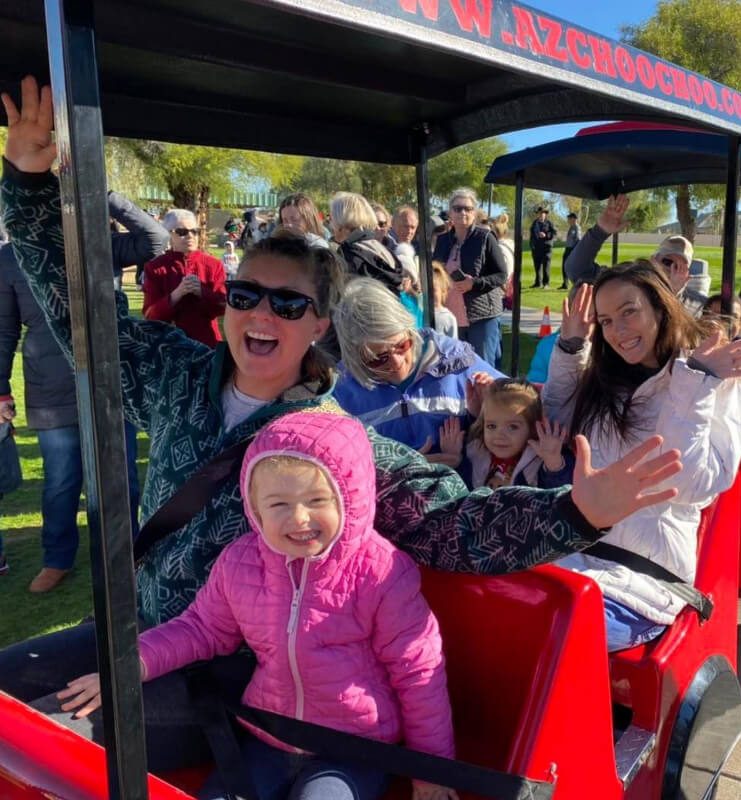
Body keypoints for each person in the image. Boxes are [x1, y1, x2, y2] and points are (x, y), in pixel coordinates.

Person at [1, 75, 687, 770]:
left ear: (320, 325)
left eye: (289, 304)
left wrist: (574, 512)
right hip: (138, 630)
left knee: (45, 744)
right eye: (247, 295)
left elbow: (457, 524)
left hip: (235, 671)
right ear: (226, 306)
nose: (263, 315)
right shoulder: (175, 376)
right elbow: (77, 312)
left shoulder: (339, 446)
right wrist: (29, 184)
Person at [59, 411, 458, 800]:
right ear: (254, 508)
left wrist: (431, 772)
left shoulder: (382, 573)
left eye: (317, 499)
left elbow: (418, 672)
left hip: (354, 748)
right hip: (271, 735)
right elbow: (201, 628)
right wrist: (132, 664)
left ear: (351, 497)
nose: (299, 518)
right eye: (279, 505)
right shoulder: (241, 561)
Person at [543, 264, 741, 651]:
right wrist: (570, 347)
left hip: (646, 576)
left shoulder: (717, 379)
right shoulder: (607, 379)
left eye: (629, 312)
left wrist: (695, 381)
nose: (617, 331)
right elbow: (558, 423)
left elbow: (691, 483)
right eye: (607, 320)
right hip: (576, 553)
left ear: (661, 307)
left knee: (557, 636)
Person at [0, 192, 160, 591]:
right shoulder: (9, 258)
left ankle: (128, 555)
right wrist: (1, 389)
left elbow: (154, 240)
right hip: (50, 388)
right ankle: (57, 558)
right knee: (60, 480)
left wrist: (102, 194)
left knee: (119, 479)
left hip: (110, 383)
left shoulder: (97, 244)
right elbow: (4, 331)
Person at [332, 277, 502, 457]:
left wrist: (486, 412)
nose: (397, 362)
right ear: (354, 358)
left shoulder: (456, 360)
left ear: (410, 329)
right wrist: (406, 470)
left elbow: (522, 412)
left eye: (402, 345)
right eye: (378, 358)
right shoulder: (339, 392)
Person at [565, 194, 741, 316]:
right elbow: (577, 271)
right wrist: (600, 231)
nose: (670, 269)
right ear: (654, 260)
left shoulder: (696, 304)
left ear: (688, 275)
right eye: (667, 261)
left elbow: (734, 318)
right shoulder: (627, 282)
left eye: (680, 266)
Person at [438, 379, 574, 490]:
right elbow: (461, 494)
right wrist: (455, 461)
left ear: (533, 428)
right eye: (491, 426)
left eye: (513, 427)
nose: (499, 435)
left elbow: (559, 496)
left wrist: (554, 464)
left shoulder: (538, 461)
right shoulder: (476, 452)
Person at [431, 189, 506, 365]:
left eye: (468, 208)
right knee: (454, 367)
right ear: (450, 212)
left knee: (483, 367)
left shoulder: (485, 237)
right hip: (450, 315)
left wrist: (474, 283)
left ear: (475, 212)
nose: (462, 213)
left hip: (481, 316)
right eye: (457, 208)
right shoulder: (443, 240)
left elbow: (501, 275)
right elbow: (436, 272)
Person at [142, 209, 228, 347]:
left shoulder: (213, 265)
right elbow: (150, 316)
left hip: (207, 345)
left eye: (195, 231)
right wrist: (176, 294)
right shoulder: (155, 267)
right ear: (169, 234)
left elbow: (223, 307)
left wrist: (202, 292)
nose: (190, 236)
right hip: (169, 348)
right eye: (182, 232)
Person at [329, 191, 405, 295]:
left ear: (341, 221)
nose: (330, 224)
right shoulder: (382, 249)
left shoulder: (347, 255)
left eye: (331, 218)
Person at [529, 206, 556, 289]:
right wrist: (531, 245)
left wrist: (546, 235)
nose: (541, 215)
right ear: (537, 214)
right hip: (536, 248)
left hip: (546, 248)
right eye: (539, 213)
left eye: (542, 213)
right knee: (537, 267)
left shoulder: (549, 223)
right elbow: (532, 235)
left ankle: (546, 284)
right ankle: (537, 283)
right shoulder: (534, 223)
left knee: (546, 267)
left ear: (545, 214)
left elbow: (554, 234)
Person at [431, 264, 459, 339]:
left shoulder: (448, 317)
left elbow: (453, 346)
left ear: (443, 291)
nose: (429, 294)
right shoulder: (420, 312)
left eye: (433, 290)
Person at [557, 212, 579, 290]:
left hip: (572, 249)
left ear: (573, 219)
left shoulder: (576, 228)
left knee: (569, 266)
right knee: (564, 266)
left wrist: (574, 251)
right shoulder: (572, 227)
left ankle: (574, 283)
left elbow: (578, 240)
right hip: (568, 248)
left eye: (569, 218)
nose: (568, 220)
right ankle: (565, 283)